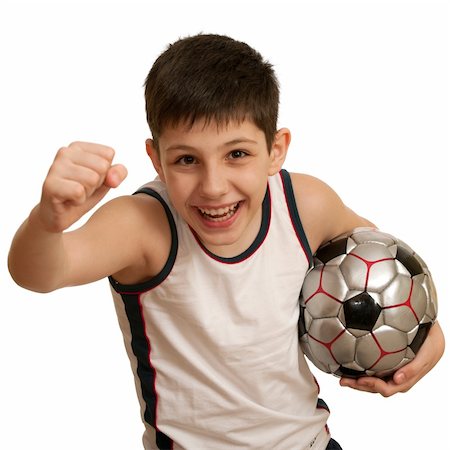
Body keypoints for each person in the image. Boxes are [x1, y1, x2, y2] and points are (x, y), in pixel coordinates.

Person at [8, 34, 444, 450]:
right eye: (186, 160)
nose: (214, 186)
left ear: (276, 149)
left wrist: (424, 334)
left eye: (237, 154)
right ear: (156, 159)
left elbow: (388, 273)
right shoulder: (143, 226)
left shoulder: (305, 205)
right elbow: (39, 273)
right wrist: (47, 221)